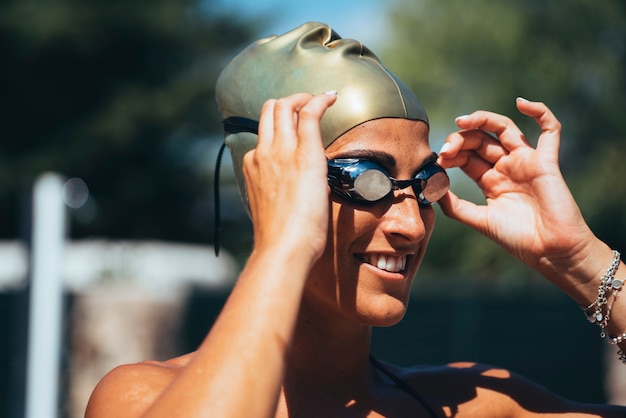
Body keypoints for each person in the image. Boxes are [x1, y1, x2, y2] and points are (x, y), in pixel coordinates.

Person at [85, 22, 626, 417]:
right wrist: (285, 246)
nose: (412, 225)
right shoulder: (138, 398)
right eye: (365, 180)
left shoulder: (471, 406)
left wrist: (579, 261)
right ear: (264, 185)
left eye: (424, 183)